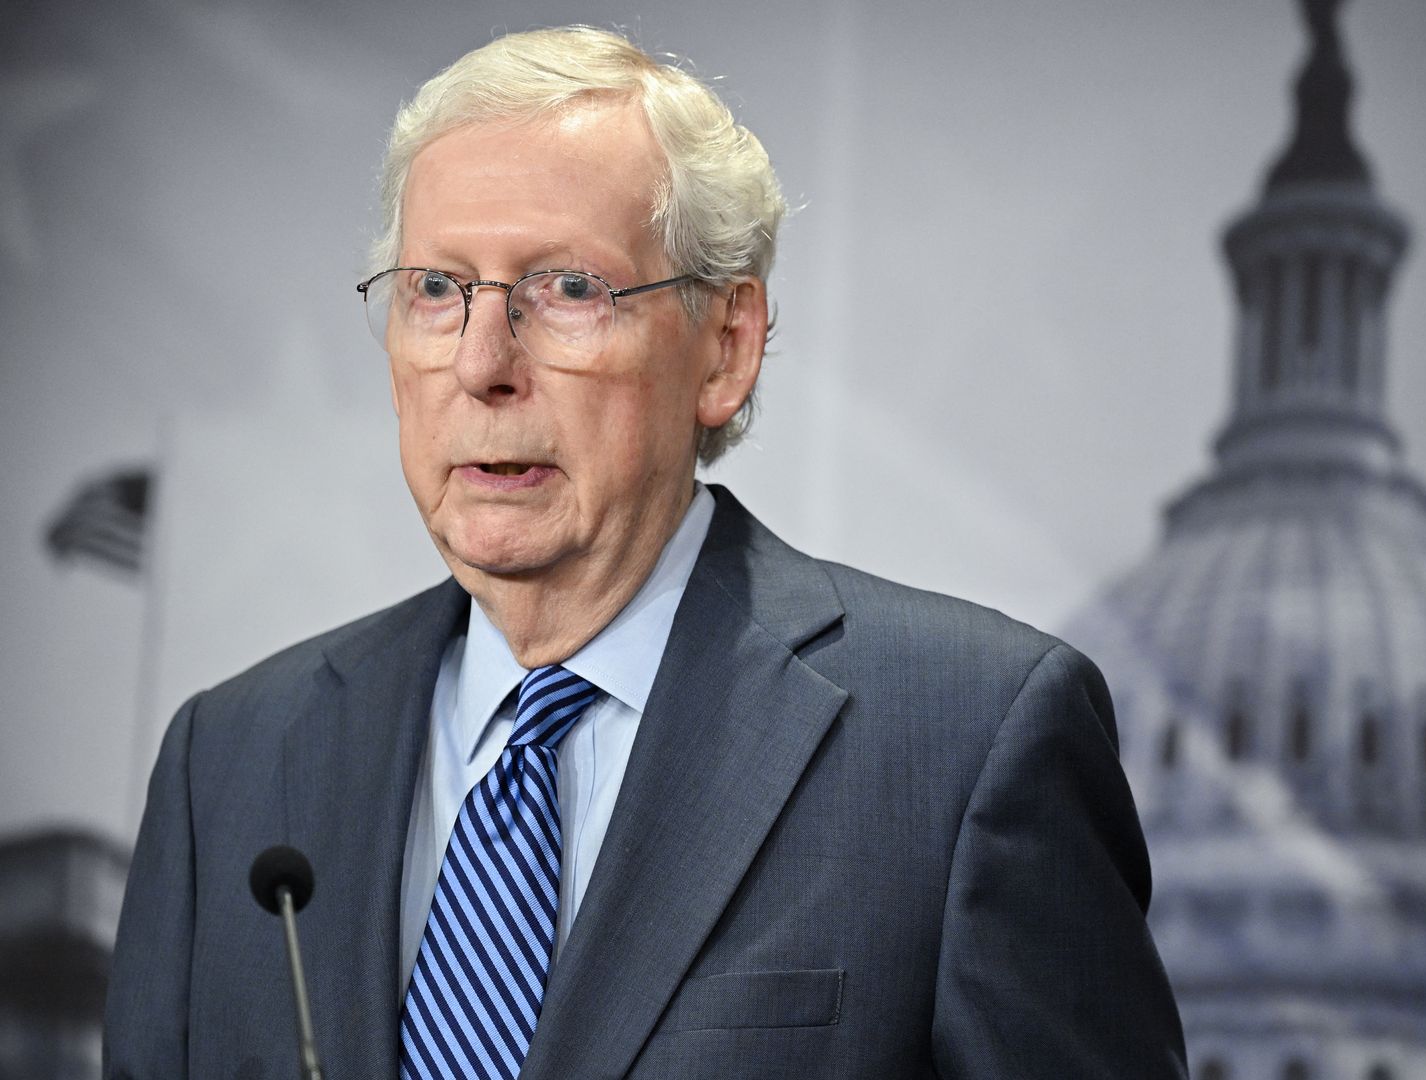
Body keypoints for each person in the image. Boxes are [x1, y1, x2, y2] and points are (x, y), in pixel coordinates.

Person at [103, 25, 1186, 1080]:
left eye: (567, 288)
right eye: (437, 289)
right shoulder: (230, 762)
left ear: (726, 346)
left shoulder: (965, 743)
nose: (484, 363)